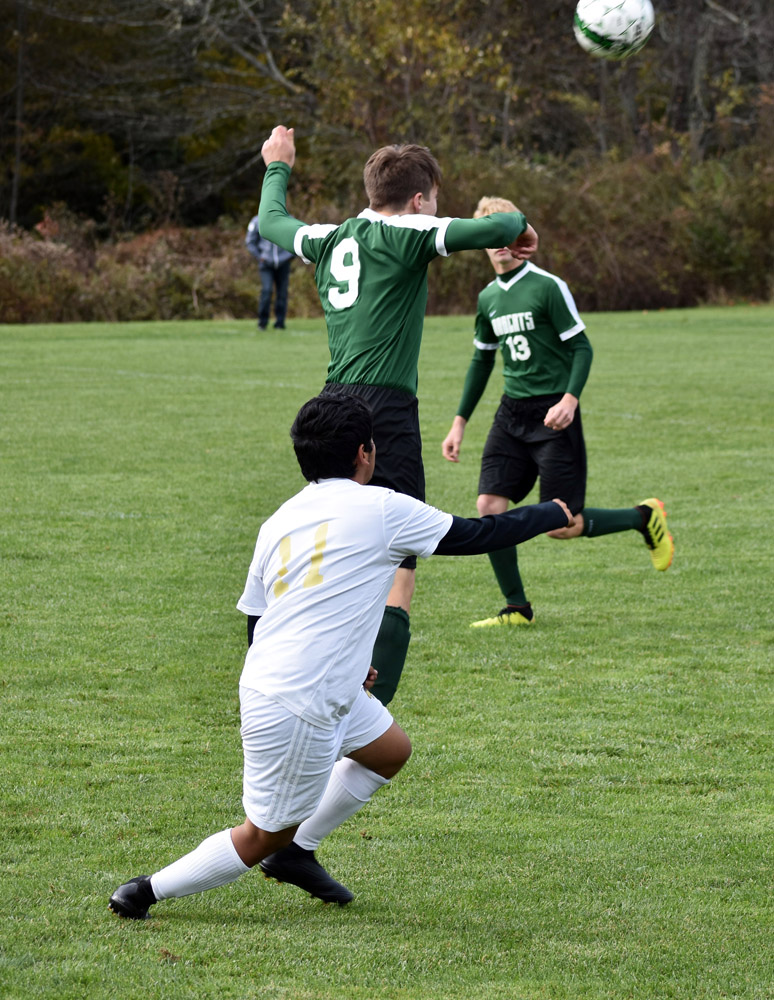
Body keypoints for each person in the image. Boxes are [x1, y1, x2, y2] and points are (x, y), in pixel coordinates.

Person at [108, 392, 573, 919]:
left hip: (288, 682)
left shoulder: (279, 519)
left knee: (389, 750)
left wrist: (340, 664)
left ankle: (297, 852)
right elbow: (478, 534)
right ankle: (144, 891)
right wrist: (550, 511)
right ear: (364, 454)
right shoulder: (382, 508)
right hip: (301, 700)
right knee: (262, 834)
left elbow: (257, 620)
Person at [257, 126, 539, 706]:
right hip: (385, 411)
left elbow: (271, 221)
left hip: (333, 404)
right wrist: (522, 227)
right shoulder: (411, 229)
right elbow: (501, 226)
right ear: (418, 199)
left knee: (335, 539)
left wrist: (278, 165)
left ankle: (315, 665)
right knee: (400, 560)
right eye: (434, 200)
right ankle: (368, 711)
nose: (436, 209)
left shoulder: (330, 237)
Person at [442, 196, 674, 629]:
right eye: (490, 235)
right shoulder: (487, 297)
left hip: (554, 413)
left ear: (519, 237)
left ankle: (643, 517)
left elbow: (582, 347)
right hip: (511, 414)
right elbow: (482, 360)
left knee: (561, 523)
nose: (499, 243)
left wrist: (570, 399)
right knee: (489, 505)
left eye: (506, 233)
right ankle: (517, 608)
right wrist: (459, 422)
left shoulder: (547, 286)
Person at [245, 214, 294, 330]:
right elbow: (250, 242)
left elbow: (296, 240)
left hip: (283, 263)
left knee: (282, 293)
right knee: (267, 291)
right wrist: (260, 256)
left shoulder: (289, 219)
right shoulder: (257, 220)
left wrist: (290, 256)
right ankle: (262, 322)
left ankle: (280, 323)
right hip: (266, 264)